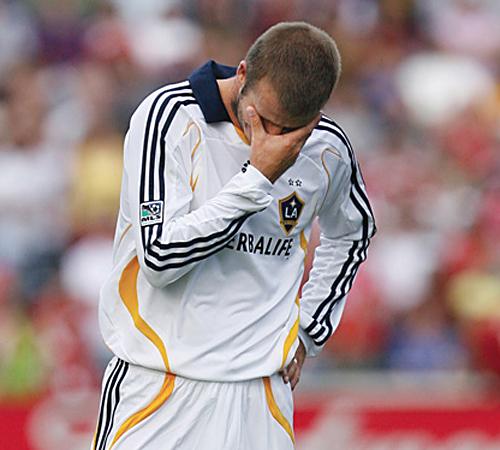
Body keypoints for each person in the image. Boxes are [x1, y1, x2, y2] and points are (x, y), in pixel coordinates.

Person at [92, 21, 376, 450]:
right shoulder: (168, 117)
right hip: (159, 385)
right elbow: (160, 259)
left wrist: (309, 329)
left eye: (288, 131)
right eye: (260, 118)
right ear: (242, 74)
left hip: (260, 395)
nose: (269, 139)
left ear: (314, 118)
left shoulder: (326, 147)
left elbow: (352, 234)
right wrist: (256, 179)